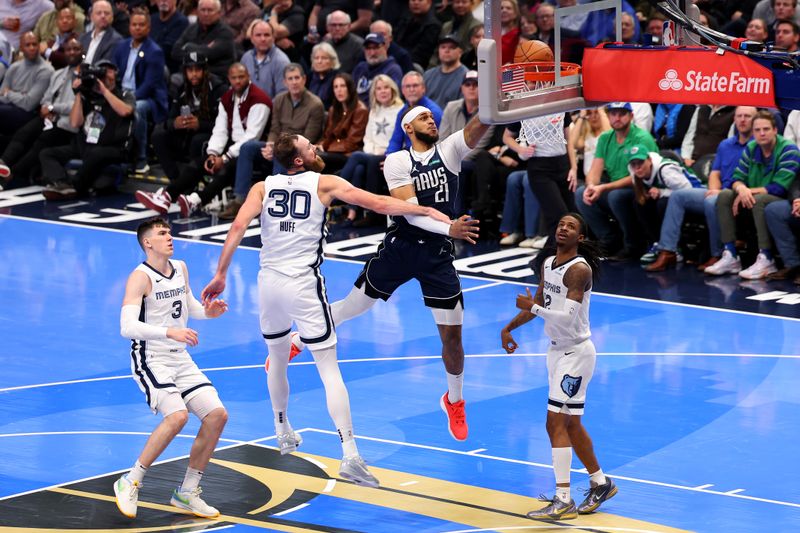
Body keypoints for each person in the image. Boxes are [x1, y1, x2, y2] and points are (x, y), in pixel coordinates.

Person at [199, 133, 454, 487]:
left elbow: (239, 226)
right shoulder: (325, 183)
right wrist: (424, 209)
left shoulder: (263, 187)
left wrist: (221, 273)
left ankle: (282, 428)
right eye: (309, 147)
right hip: (303, 284)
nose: (316, 148)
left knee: (276, 356)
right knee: (329, 369)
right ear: (299, 160)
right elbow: (379, 203)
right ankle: (350, 455)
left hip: (268, 283)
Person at [292, 108, 486, 441]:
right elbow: (410, 214)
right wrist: (449, 226)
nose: (432, 120)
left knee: (453, 339)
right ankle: (299, 337)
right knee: (355, 307)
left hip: (437, 254)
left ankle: (454, 400)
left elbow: (481, 123)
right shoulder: (398, 160)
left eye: (433, 116)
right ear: (408, 127)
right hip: (401, 247)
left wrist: (500, 97)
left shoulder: (450, 149)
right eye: (424, 117)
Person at [501, 212, 616, 521]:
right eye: (561, 223)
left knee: (554, 423)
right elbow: (540, 303)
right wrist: (509, 327)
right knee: (571, 425)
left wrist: (533, 307)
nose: (563, 228)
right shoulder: (548, 263)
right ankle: (601, 482)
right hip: (556, 353)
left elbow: (564, 315)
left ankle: (562, 498)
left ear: (580, 237)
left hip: (576, 354)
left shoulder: (579, 270)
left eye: (571, 226)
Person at [114, 216, 229, 520]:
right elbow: (126, 327)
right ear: (147, 243)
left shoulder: (181, 268)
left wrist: (209, 312)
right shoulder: (140, 277)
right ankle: (130, 480)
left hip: (179, 356)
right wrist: (169, 332)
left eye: (170, 231)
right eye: (162, 233)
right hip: (151, 357)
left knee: (217, 416)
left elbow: (189, 307)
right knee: (177, 416)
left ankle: (187, 492)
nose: (169, 236)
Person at [705, 110, 800, 278]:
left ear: (775, 130)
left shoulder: (789, 150)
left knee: (759, 199)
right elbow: (737, 178)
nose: (761, 133)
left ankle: (766, 258)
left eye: (766, 129)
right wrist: (741, 189)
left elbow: (780, 187)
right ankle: (730, 255)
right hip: (753, 194)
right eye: (757, 130)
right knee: (726, 195)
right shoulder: (751, 148)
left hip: (780, 198)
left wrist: (747, 191)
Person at [39, 60, 134, 200]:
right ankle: (62, 183)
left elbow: (125, 111)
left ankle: (75, 187)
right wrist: (78, 94)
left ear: (115, 73)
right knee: (47, 153)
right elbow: (75, 122)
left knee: (96, 154)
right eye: (101, 71)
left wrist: (105, 91)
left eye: (109, 70)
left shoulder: (125, 94)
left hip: (114, 147)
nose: (105, 74)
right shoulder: (89, 96)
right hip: (86, 145)